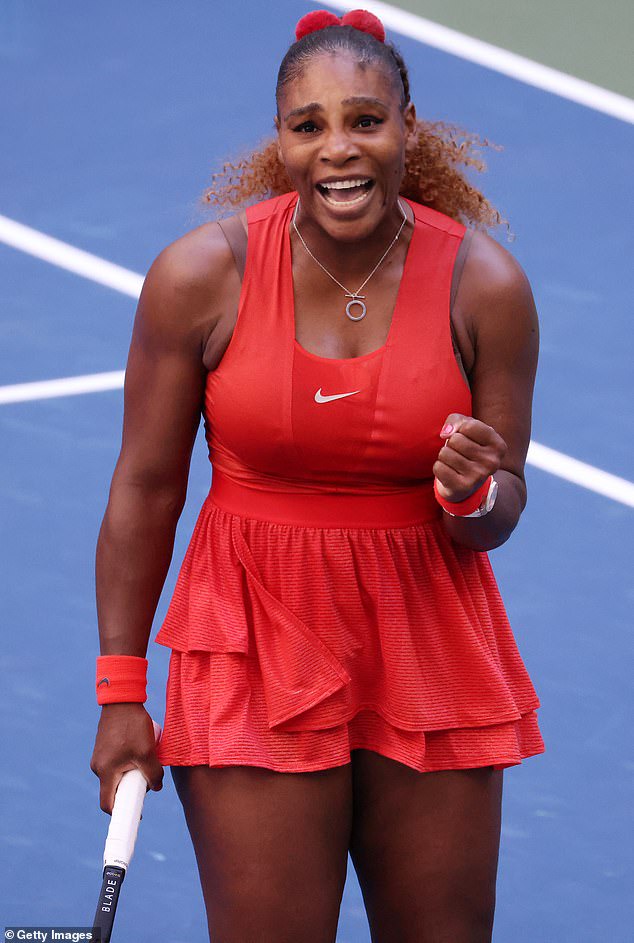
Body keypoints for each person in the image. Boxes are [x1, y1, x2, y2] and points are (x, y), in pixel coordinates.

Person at [90, 9, 544, 942]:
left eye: (366, 120)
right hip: (255, 638)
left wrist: (470, 494)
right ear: (282, 138)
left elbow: (501, 509)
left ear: (408, 127)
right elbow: (144, 489)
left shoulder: (486, 287)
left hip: (430, 644)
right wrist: (120, 691)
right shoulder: (198, 277)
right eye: (310, 125)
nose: (339, 148)